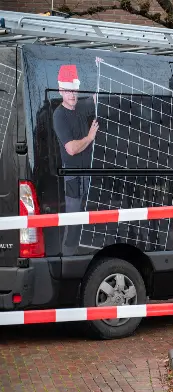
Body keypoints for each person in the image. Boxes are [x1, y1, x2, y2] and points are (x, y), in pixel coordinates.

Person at [52, 63, 98, 255]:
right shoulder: (59, 115)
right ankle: (68, 255)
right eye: (67, 90)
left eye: (74, 90)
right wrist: (89, 137)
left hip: (88, 173)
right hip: (72, 176)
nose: (72, 94)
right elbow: (71, 149)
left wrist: (98, 68)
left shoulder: (81, 106)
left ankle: (83, 253)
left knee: (87, 216)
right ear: (61, 90)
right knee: (73, 218)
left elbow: (95, 98)